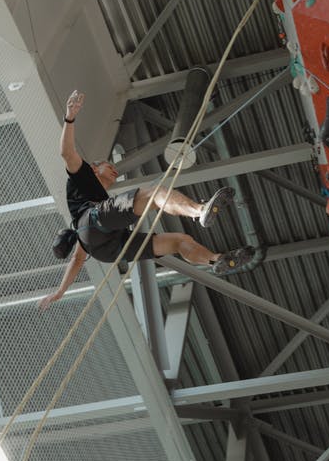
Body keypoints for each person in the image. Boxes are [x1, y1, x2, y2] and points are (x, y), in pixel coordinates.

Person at [38, 90, 254, 311]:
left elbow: (77, 259)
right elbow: (66, 153)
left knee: (179, 241)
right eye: (107, 165)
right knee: (155, 194)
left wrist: (60, 292)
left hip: (105, 249)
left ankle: (215, 260)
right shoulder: (81, 177)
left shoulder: (86, 224)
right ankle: (200, 211)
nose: (113, 169)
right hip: (94, 223)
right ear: (93, 168)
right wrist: (70, 116)